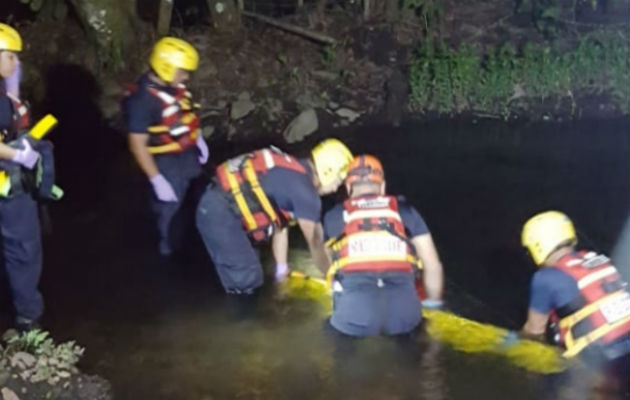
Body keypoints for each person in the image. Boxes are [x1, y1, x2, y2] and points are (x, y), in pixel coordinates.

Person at [196, 139, 353, 294]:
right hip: (219, 212)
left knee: (249, 264)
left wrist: (281, 268)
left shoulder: (294, 172)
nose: (335, 188)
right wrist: (332, 279)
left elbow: (280, 224)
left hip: (215, 205)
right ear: (328, 171)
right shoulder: (306, 194)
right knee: (247, 278)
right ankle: (241, 316)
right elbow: (316, 243)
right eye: (338, 180)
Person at [322, 155, 444, 337]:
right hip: (404, 317)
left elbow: (329, 268)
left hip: (354, 317)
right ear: (383, 186)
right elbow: (432, 265)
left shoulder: (333, 216)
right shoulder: (406, 212)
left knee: (336, 343)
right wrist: (433, 303)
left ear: (348, 188)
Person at [123, 37, 209, 257]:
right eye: (182, 72)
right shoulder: (142, 100)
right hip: (165, 164)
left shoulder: (173, 87)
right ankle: (168, 256)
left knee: (197, 201)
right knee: (169, 213)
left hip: (186, 155)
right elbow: (137, 144)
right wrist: (157, 179)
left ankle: (193, 245)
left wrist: (197, 140)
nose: (186, 77)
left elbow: (184, 115)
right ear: (166, 68)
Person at [519, 211, 630, 369]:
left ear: (538, 246)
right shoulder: (598, 260)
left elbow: (534, 332)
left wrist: (514, 345)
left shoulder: (546, 278)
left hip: (604, 360)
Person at [0, 23, 46, 331]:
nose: (17, 63)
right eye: (11, 57)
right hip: (6, 183)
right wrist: (18, 155)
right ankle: (30, 321)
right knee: (23, 249)